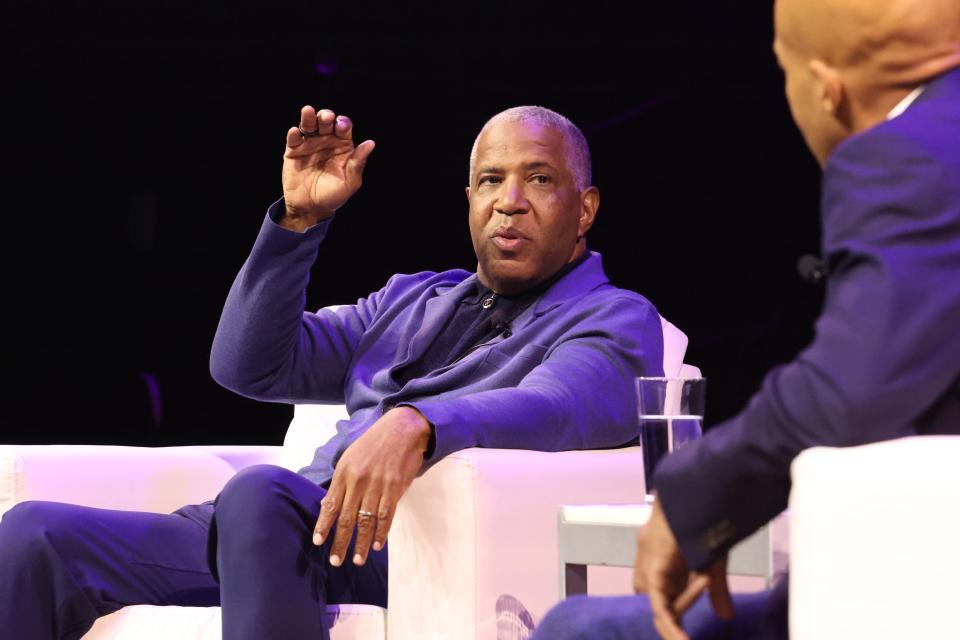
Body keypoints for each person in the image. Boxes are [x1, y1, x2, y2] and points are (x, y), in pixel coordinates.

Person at [0, 105, 665, 639]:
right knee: (34, 536)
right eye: (491, 180)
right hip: (274, 532)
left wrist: (417, 422)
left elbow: (557, 406)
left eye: (539, 179)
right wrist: (298, 224)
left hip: (389, 545)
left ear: (585, 208)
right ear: (468, 199)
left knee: (260, 495)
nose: (510, 201)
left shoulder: (612, 318)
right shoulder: (412, 299)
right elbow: (250, 367)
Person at [531, 0, 960, 638]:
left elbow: (850, 391)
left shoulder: (907, 154)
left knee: (576, 628)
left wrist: (693, 500)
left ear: (827, 88)